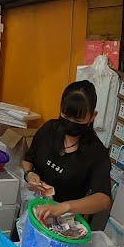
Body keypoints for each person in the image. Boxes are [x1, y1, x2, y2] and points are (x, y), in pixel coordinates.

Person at [23, 80, 112, 222]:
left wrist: (64, 207)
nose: (70, 122)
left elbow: (103, 199)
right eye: (65, 115)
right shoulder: (49, 129)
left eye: (78, 118)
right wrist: (30, 174)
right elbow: (28, 159)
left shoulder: (96, 152)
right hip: (34, 209)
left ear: (92, 116)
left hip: (66, 221)